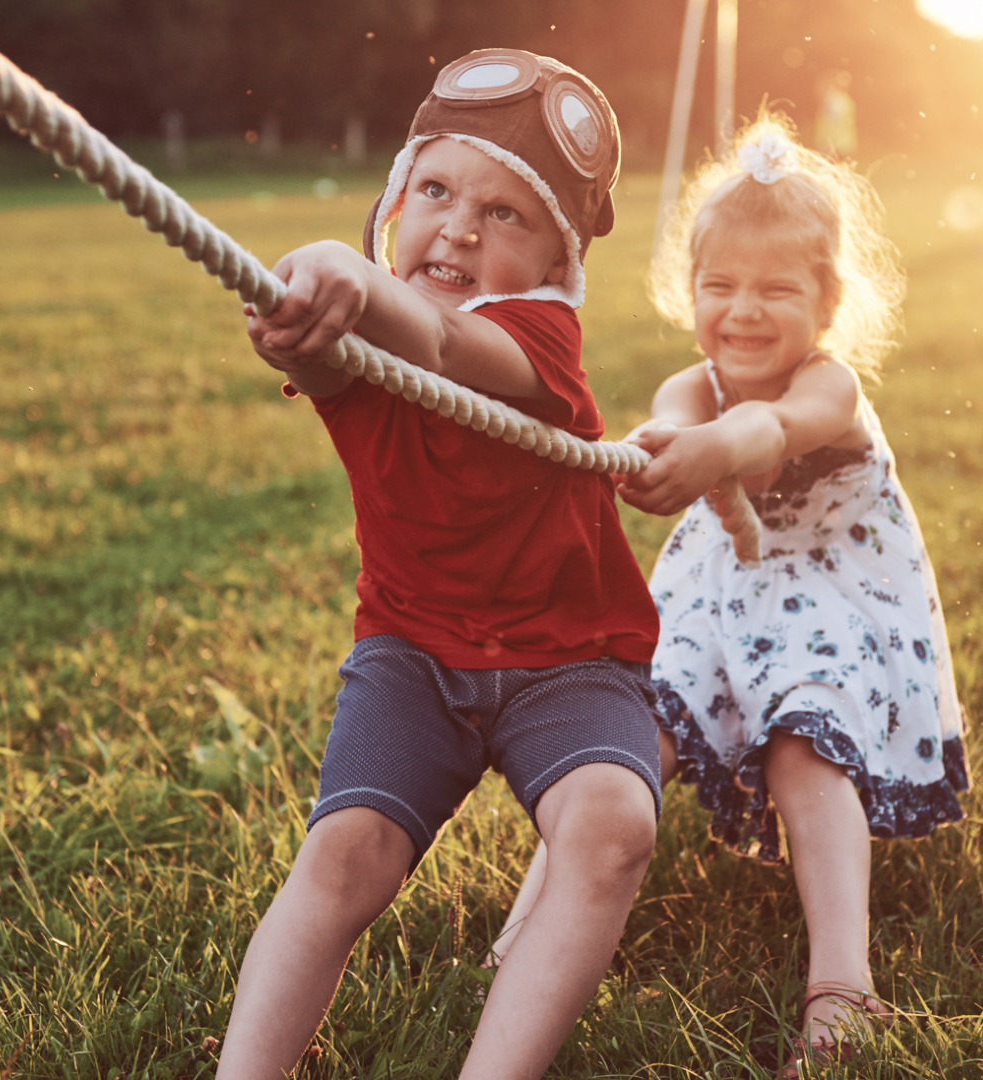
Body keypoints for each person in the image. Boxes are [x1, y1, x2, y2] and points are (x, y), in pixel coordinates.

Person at [213, 50, 665, 1080]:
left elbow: (446, 347)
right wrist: (294, 320)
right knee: (345, 856)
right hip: (412, 653)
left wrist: (347, 269)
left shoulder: (538, 335)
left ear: (556, 260)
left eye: (505, 214)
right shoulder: (362, 335)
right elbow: (314, 351)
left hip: (570, 661)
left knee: (612, 825)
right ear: (395, 201)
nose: (459, 228)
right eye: (435, 191)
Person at [489, 116, 970, 1076]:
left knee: (803, 746)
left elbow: (776, 431)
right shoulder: (692, 387)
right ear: (691, 288)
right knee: (632, 740)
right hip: (718, 597)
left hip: (834, 604)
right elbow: (675, 425)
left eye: (777, 290)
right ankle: (522, 938)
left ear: (828, 302)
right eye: (720, 286)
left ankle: (844, 986)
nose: (744, 311)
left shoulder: (830, 386)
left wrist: (716, 447)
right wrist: (667, 449)